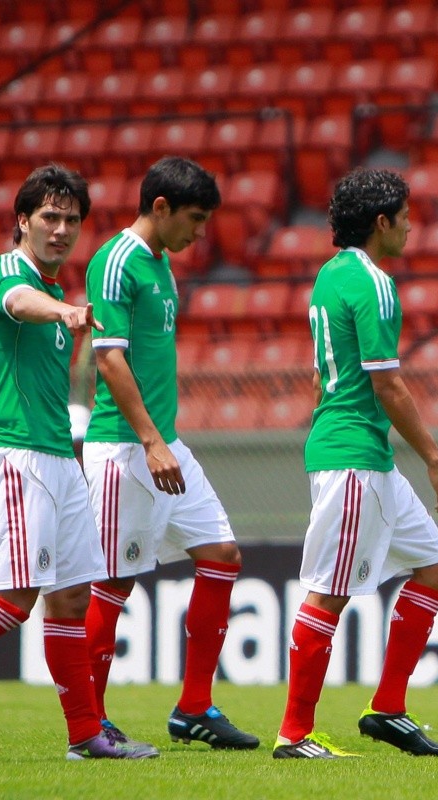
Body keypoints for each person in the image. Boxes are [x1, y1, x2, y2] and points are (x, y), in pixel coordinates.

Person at [273, 167, 438, 759]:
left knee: (435, 566)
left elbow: (323, 368)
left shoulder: (329, 276)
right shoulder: (375, 283)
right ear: (382, 222)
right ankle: (294, 734)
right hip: (354, 454)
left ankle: (388, 708)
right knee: (329, 591)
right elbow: (389, 385)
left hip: (360, 452)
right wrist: (435, 459)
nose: (410, 225)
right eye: (404, 215)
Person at [82, 156, 258, 751]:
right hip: (126, 449)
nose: (201, 233)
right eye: (195, 219)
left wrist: (163, 439)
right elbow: (108, 357)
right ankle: (91, 723)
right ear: (160, 207)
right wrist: (151, 441)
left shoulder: (161, 265)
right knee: (112, 583)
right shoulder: (115, 262)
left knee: (223, 554)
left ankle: (194, 707)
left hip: (164, 442)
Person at [0, 164, 157, 760]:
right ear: (23, 222)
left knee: (70, 598)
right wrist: (60, 313)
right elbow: (16, 300)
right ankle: (87, 733)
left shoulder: (62, 295)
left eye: (71, 220)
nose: (61, 230)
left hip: (61, 459)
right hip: (17, 454)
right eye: (49, 217)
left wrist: (66, 313)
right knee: (13, 601)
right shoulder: (14, 274)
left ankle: (86, 736)